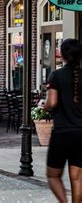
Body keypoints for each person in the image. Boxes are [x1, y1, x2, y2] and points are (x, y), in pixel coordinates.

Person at [43, 38, 82, 203]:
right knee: (77, 176)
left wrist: (44, 108)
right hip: (81, 133)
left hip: (62, 133)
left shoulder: (56, 75)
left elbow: (52, 103)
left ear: (62, 55)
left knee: (53, 175)